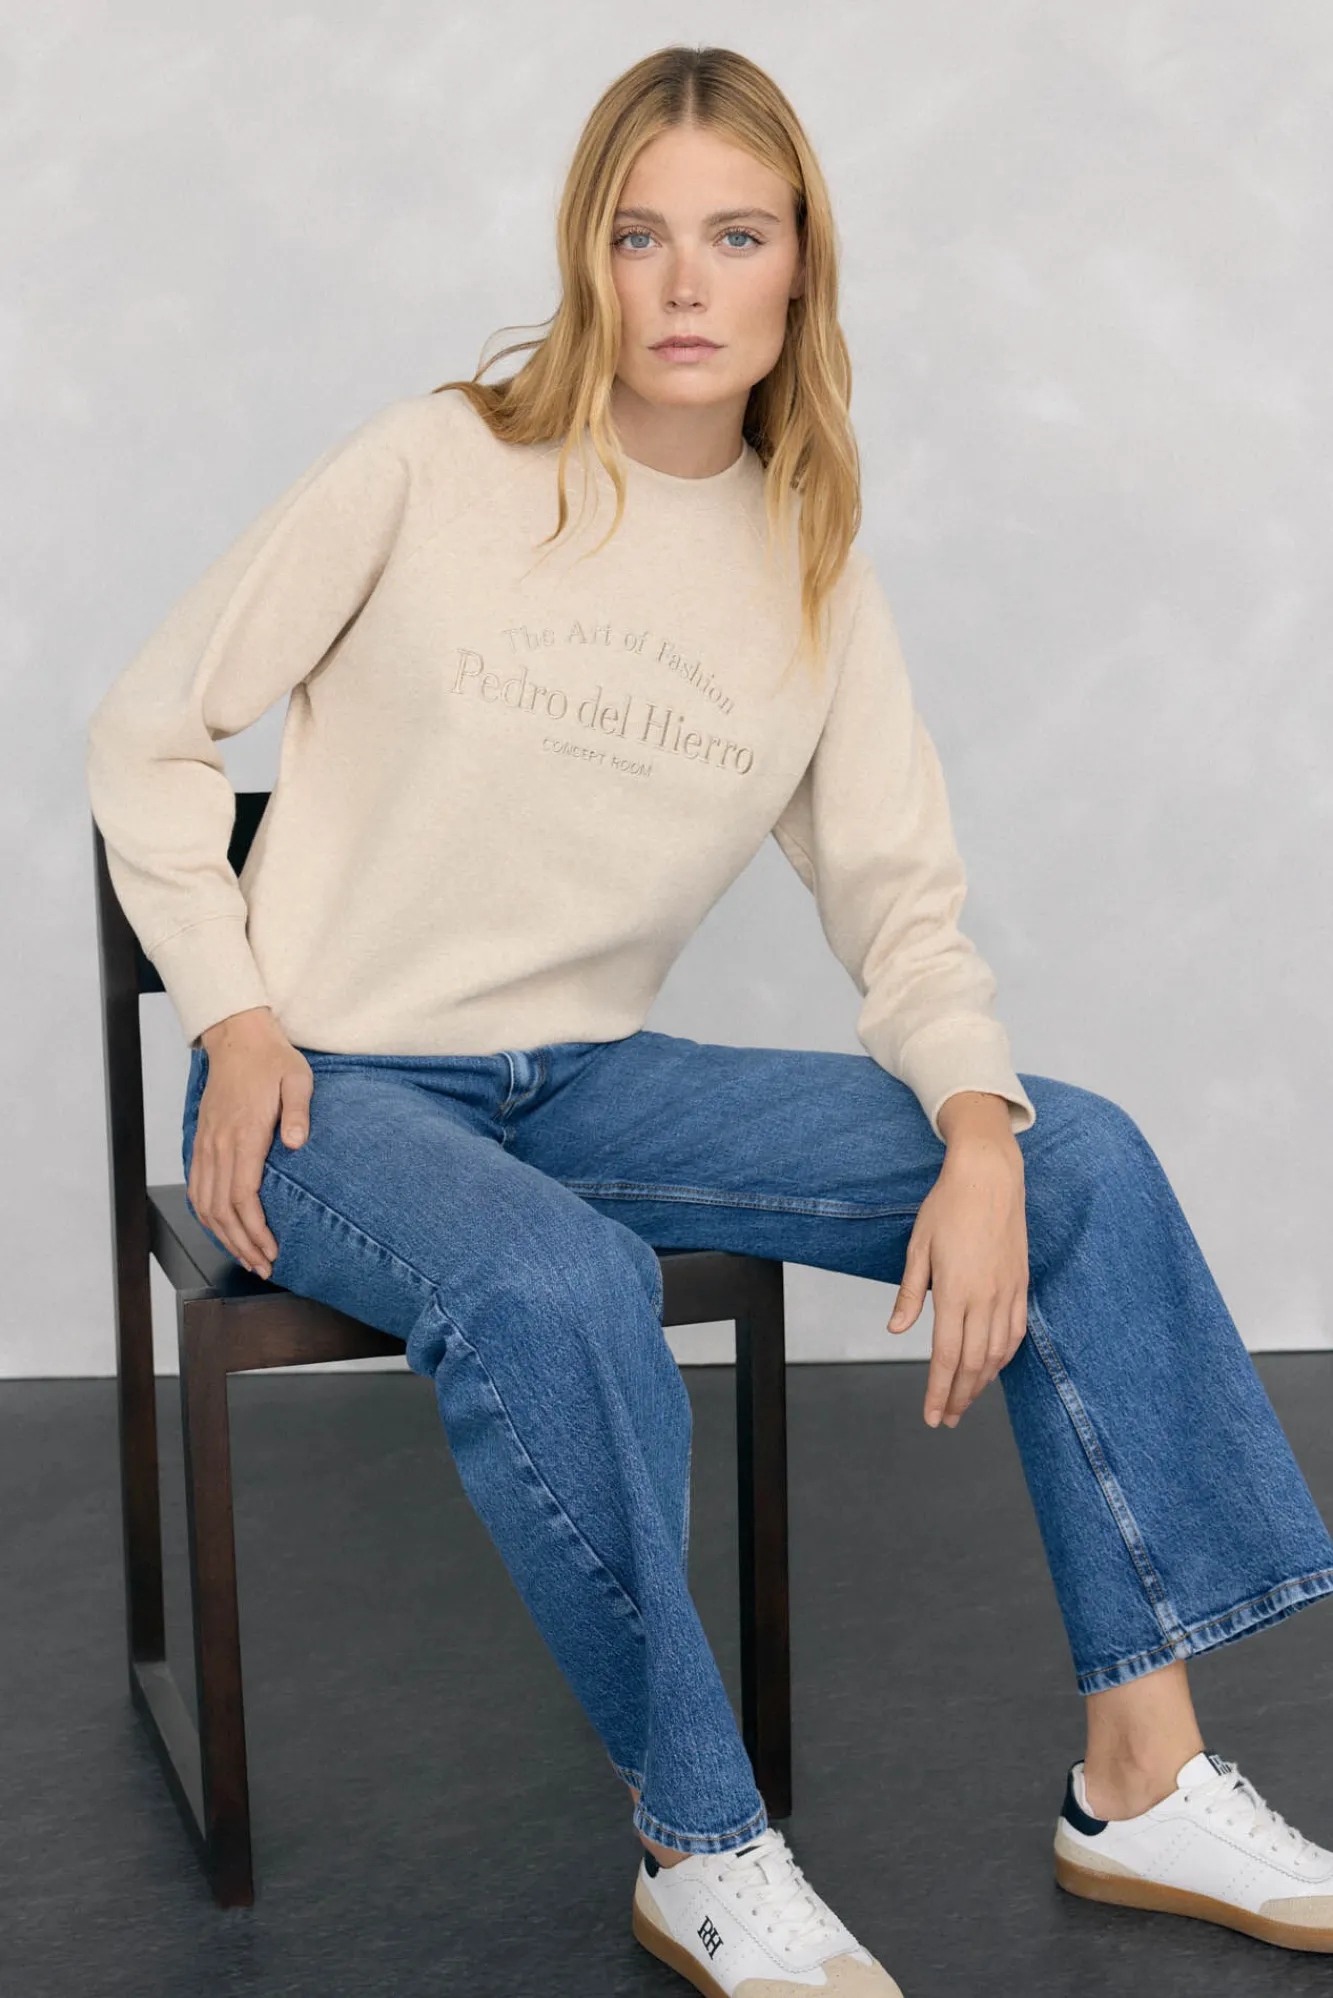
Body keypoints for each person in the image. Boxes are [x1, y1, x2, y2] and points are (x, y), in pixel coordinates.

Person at [85, 42, 1333, 1998]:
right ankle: (701, 1837)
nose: (683, 284)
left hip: (584, 1082)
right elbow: (146, 736)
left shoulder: (809, 564)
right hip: (331, 1091)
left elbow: (903, 908)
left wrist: (979, 1131)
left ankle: (1142, 1777)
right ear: (586, 255)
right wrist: (236, 1017)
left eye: (735, 237)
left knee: (1071, 1150)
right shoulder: (436, 465)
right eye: (640, 233)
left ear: (799, 266)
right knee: (560, 1282)